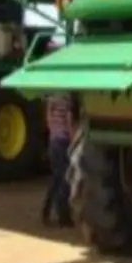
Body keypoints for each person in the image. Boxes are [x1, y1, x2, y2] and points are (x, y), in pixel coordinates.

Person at [41, 87, 76, 227]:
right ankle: (63, 216)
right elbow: (69, 122)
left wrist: (53, 132)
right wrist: (73, 140)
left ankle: (46, 211)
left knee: (56, 179)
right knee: (65, 179)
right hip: (63, 142)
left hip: (53, 141)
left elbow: (48, 118)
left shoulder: (52, 99)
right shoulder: (67, 100)